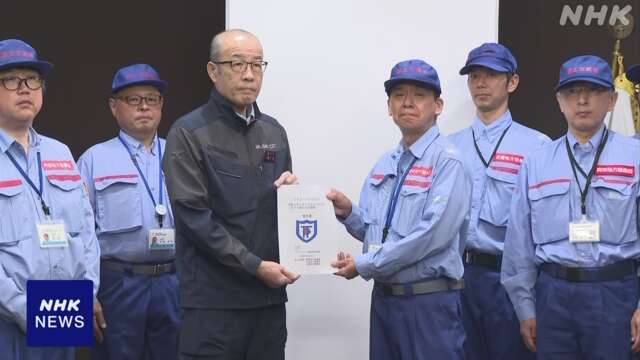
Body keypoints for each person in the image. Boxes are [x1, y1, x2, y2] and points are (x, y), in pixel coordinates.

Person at [163, 29, 299, 360]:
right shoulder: (188, 133)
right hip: (214, 307)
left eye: (257, 64)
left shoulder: (274, 132)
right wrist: (255, 266)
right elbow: (195, 219)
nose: (250, 74)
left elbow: (280, 211)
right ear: (213, 71)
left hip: (267, 303)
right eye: (238, 64)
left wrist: (293, 198)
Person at [328, 59, 471, 359]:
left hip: (428, 305)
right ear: (389, 106)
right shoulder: (385, 163)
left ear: (438, 105)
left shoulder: (448, 162)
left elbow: (430, 236)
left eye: (419, 95)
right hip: (385, 302)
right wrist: (348, 213)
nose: (407, 103)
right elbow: (374, 232)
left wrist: (364, 265)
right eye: (399, 95)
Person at [501, 54, 640, 358]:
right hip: (553, 296)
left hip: (615, 293)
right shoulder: (536, 163)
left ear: (612, 100)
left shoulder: (635, 156)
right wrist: (525, 308)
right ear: (559, 101)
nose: (582, 101)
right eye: (572, 92)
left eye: (593, 91)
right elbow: (518, 245)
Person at [448, 42, 549, 360]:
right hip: (458, 279)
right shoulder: (448, 147)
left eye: (491, 75)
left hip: (509, 280)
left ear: (512, 82)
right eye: (474, 75)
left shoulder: (537, 147)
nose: (481, 83)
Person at [0, 38, 100, 359]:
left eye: (33, 80)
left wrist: (86, 294)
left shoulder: (61, 152)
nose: (25, 88)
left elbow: (87, 232)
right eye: (12, 80)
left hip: (64, 315)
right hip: (9, 323)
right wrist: (24, 311)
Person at [78, 64, 178, 359]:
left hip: (173, 282)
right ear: (114, 106)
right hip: (118, 285)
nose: (144, 106)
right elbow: (80, 232)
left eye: (152, 98)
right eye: (133, 100)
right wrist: (88, 292)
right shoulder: (93, 159)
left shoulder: (181, 154)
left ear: (161, 105)